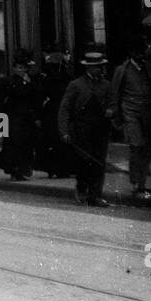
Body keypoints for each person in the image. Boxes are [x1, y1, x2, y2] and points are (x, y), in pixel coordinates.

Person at [58, 44, 113, 207]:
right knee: (84, 161)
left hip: (101, 129)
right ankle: (82, 188)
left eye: (102, 67)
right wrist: (64, 131)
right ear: (89, 67)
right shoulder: (76, 85)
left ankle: (95, 195)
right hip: (82, 129)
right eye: (98, 67)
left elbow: (113, 102)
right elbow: (65, 108)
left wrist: (111, 110)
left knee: (99, 162)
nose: (101, 70)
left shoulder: (106, 85)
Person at [110, 38, 151, 201]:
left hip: (148, 113)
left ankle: (141, 183)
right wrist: (115, 114)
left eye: (142, 51)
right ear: (131, 53)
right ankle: (134, 181)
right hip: (130, 112)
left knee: (146, 148)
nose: (141, 54)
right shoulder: (122, 70)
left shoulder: (149, 69)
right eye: (137, 51)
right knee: (136, 145)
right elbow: (115, 94)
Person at [0, 52, 39, 182]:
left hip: (26, 118)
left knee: (26, 145)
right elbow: (1, 101)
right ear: (14, 68)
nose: (21, 70)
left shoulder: (30, 81)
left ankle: (23, 170)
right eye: (19, 68)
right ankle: (14, 170)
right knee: (13, 145)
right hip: (12, 118)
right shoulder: (8, 82)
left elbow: (35, 98)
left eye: (23, 68)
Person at [35, 45, 73, 178]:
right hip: (54, 109)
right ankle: (60, 168)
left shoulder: (47, 73)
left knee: (54, 139)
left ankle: (55, 168)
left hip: (54, 108)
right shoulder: (60, 73)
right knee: (57, 139)